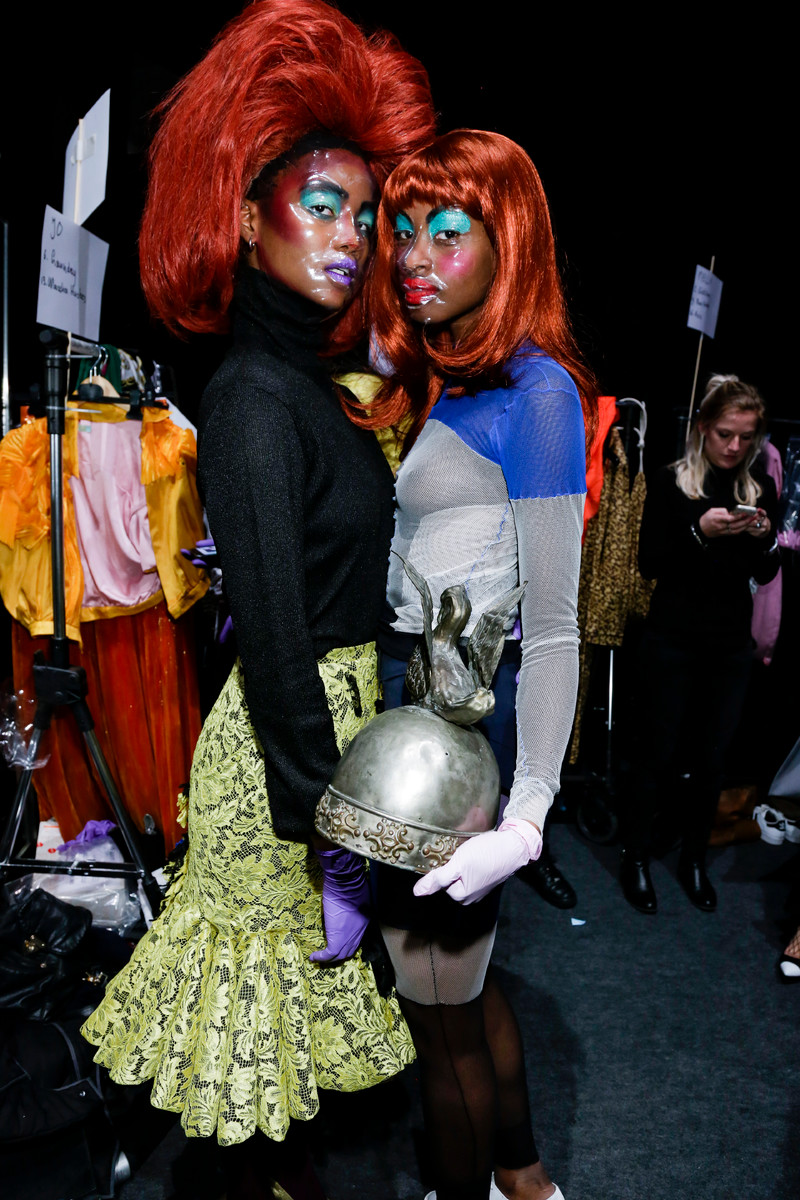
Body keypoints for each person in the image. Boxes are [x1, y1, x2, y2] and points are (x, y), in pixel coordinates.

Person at [81, 4, 435, 1197]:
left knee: (280, 1074)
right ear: (242, 218)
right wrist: (335, 825)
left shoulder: (312, 385)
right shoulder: (251, 399)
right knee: (249, 1072)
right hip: (289, 767)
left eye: (363, 215)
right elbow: (277, 641)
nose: (350, 237)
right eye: (320, 205)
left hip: (325, 747)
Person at [345, 129, 597, 1200]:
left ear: (511, 241)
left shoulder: (536, 394)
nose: (414, 257)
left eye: (447, 233)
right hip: (425, 718)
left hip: (462, 739)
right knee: (462, 989)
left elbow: (555, 626)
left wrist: (529, 815)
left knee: (435, 1010)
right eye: (403, 232)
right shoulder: (454, 376)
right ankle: (525, 1179)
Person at [619, 374, 780, 915]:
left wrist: (765, 538)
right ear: (703, 428)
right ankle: (636, 857)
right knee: (656, 755)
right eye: (725, 434)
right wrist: (699, 533)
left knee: (712, 761)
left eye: (746, 437)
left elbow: (765, 571)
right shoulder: (671, 481)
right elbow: (649, 563)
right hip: (671, 640)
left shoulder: (758, 486)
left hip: (729, 646)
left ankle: (693, 860)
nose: (734, 447)